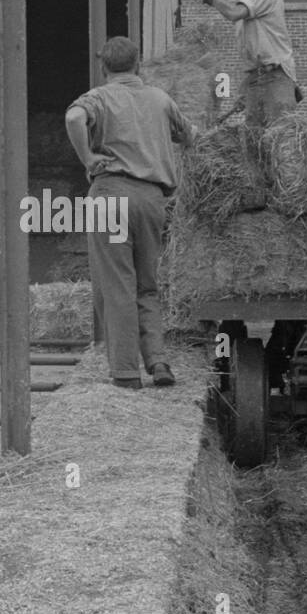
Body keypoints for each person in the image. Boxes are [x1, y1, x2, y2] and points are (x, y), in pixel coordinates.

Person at [65, 36, 197, 389]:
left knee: (116, 283)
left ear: (103, 67)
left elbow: (73, 118)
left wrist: (89, 158)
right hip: (152, 200)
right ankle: (157, 361)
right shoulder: (160, 98)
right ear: (139, 65)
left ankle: (125, 371)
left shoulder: (99, 97)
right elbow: (191, 136)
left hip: (110, 195)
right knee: (147, 284)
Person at [184, 0, 303, 129]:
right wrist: (244, 89)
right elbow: (253, 56)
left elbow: (233, 13)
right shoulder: (249, 2)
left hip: (276, 76)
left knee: (281, 136)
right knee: (254, 141)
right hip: (256, 78)